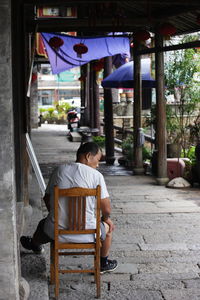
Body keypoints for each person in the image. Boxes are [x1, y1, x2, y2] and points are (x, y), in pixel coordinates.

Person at [20, 142, 118, 274]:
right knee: (108, 227)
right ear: (89, 156)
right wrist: (106, 219)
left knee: (44, 224)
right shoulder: (96, 176)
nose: (98, 164)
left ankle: (35, 244)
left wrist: (56, 215)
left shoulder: (59, 170)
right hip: (89, 234)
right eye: (98, 160)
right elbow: (106, 209)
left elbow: (47, 199)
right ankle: (103, 263)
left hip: (56, 233)